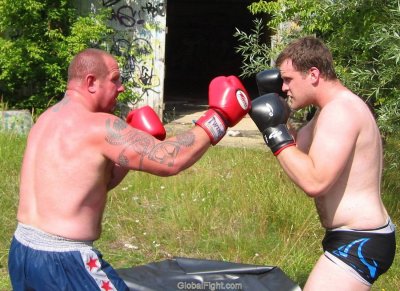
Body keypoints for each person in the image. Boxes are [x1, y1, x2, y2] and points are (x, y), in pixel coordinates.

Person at [8, 48, 251, 290]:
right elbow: (171, 159)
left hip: (22, 251)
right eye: (114, 79)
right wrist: (219, 117)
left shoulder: (46, 119)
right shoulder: (100, 126)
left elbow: (91, 183)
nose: (121, 87)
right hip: (65, 260)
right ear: (91, 82)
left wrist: (130, 153)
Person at [249, 36, 396, 290]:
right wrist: (280, 115)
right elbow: (298, 152)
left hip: (359, 240)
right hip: (350, 235)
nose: (284, 87)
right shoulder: (326, 110)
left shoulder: (341, 111)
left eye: (288, 80)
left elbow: (314, 181)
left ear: (313, 74)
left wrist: (274, 130)